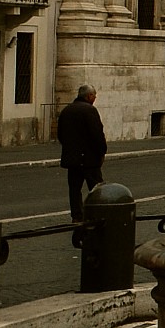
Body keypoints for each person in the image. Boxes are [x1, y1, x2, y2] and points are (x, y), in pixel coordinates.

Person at [57, 84, 106, 241]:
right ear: (89, 96)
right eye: (94, 95)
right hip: (89, 159)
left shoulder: (67, 110)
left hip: (72, 159)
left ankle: (76, 216)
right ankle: (98, 215)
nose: (95, 98)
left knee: (74, 189)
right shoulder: (90, 111)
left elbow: (60, 134)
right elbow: (97, 134)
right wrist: (102, 151)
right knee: (96, 189)